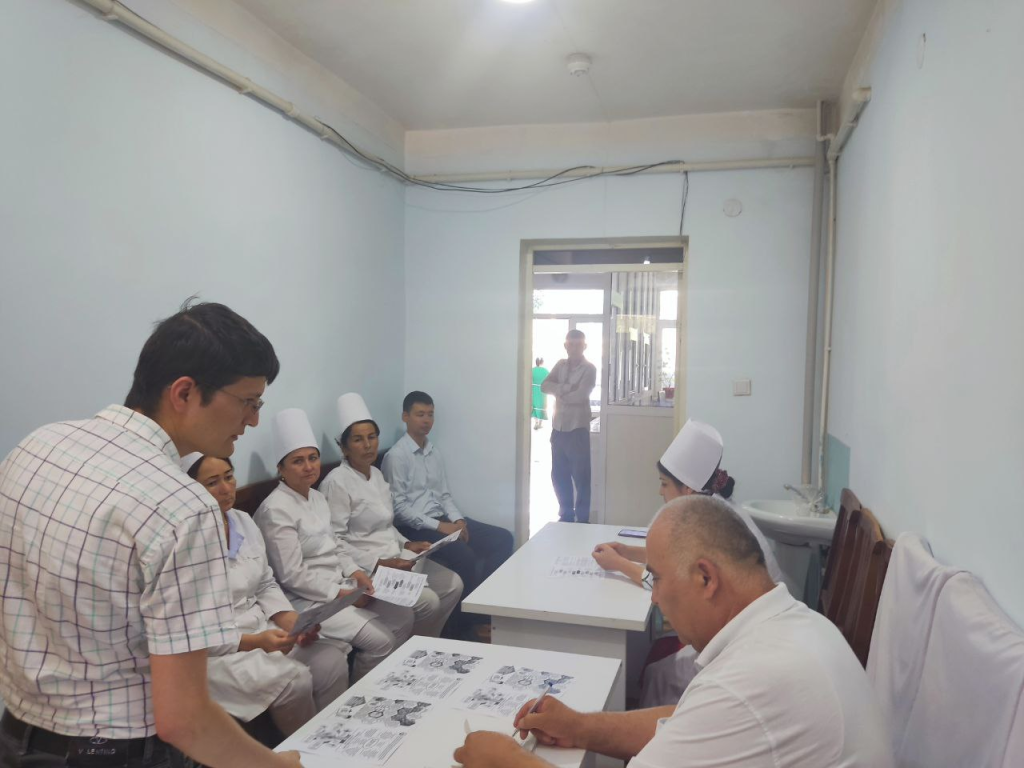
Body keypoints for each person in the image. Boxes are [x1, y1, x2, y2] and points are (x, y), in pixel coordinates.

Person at [0, 301, 301, 768]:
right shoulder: (182, 506)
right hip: (115, 752)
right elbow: (184, 720)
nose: (253, 420)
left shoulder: (38, 445)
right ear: (184, 392)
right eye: (249, 402)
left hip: (18, 737)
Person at [454, 496, 894, 768]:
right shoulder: (797, 627)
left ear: (706, 577)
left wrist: (505, 761)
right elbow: (684, 724)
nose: (655, 596)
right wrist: (581, 726)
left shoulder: (751, 681)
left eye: (658, 579)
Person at [592, 419, 785, 706]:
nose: (660, 492)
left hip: (746, 645)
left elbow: (668, 584)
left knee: (658, 674)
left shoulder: (709, 522)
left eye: (664, 484)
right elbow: (678, 558)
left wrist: (619, 564)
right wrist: (628, 551)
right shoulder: (713, 507)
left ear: (688, 490)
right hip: (747, 629)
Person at [183, 452, 349, 736]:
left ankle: (334, 737)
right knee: (294, 680)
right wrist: (253, 642)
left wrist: (292, 622)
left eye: (229, 477)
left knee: (330, 660)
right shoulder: (184, 541)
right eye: (212, 483)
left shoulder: (242, 521)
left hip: (262, 628)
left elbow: (265, 583)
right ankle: (305, 749)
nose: (225, 488)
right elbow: (190, 629)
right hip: (219, 651)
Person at [255, 408, 413, 681]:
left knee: (403, 616)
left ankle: (386, 680)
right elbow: (291, 575)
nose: (308, 467)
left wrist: (356, 573)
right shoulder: (275, 510)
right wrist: (341, 593)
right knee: (382, 641)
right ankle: (362, 695)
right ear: (280, 468)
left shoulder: (316, 498)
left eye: (313, 458)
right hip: (308, 600)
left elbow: (336, 544)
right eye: (298, 461)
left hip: (341, 585)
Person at [319, 393, 463, 639]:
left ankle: (425, 645)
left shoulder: (375, 475)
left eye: (372, 437)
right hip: (369, 568)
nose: (368, 445)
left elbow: (386, 524)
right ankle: (410, 653)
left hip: (397, 557)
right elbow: (335, 541)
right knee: (428, 602)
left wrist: (407, 544)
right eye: (358, 440)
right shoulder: (337, 483)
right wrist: (380, 563)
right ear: (344, 447)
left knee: (453, 585)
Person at [382, 391, 513, 639]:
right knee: (465, 556)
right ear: (405, 417)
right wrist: (440, 527)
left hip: (442, 519)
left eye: (430, 415)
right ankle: (464, 628)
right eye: (420, 414)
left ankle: (481, 613)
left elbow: (443, 495)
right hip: (415, 528)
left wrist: (458, 520)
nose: (426, 420)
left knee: (503, 539)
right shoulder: (396, 456)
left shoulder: (434, 452)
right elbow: (399, 508)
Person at [540, 330, 597, 523]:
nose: (574, 348)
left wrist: (559, 393)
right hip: (558, 429)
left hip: (577, 430)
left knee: (581, 478)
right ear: (565, 346)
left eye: (578, 344)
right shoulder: (560, 365)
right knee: (558, 476)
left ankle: (582, 519)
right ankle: (566, 515)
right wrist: (564, 388)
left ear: (584, 346)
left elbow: (581, 396)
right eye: (570, 344)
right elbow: (544, 386)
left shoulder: (589, 369)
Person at [531, 357, 549, 430]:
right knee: (542, 406)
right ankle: (540, 424)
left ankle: (536, 422)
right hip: (542, 390)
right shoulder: (545, 371)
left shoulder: (532, 370)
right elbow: (550, 380)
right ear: (542, 362)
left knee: (534, 406)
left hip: (534, 389)